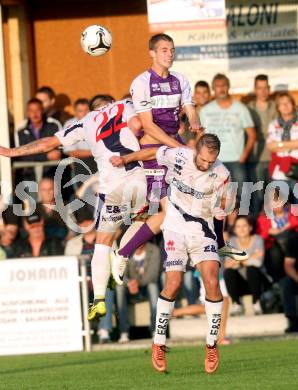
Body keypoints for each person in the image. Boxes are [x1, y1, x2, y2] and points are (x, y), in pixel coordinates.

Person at [0, 98, 147, 321]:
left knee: (101, 242)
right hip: (137, 177)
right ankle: (123, 253)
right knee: (155, 215)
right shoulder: (125, 104)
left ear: (92, 108)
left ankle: (98, 298)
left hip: (111, 186)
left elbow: (49, 142)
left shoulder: (86, 121)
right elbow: (139, 125)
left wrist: (12, 152)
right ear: (109, 101)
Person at [111, 134, 233, 374]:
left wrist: (219, 240)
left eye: (212, 161)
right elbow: (152, 152)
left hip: (202, 231)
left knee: (212, 282)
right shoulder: (179, 155)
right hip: (175, 228)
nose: (207, 165)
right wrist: (126, 158)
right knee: (173, 283)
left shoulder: (222, 174)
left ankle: (211, 344)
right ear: (195, 150)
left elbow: (221, 211)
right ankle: (158, 343)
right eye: (204, 160)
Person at [200, 73, 256, 198]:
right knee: (215, 196)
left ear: (228, 87)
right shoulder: (205, 110)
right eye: (218, 86)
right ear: (213, 89)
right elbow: (201, 136)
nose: (221, 88)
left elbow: (252, 135)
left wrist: (244, 155)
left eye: (224, 85)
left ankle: (242, 218)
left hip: (236, 160)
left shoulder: (240, 108)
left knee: (241, 195)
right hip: (213, 161)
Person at [65, 207, 115, 343]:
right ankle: (77, 334)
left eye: (89, 222)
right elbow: (69, 270)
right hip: (81, 282)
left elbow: (114, 266)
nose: (86, 225)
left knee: (107, 289)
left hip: (103, 281)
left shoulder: (108, 239)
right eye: (82, 223)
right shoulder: (71, 245)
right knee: (73, 291)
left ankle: (104, 332)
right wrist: (84, 280)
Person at [116, 242, 161, 342]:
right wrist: (129, 283)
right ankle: (124, 332)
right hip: (130, 289)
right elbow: (120, 273)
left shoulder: (154, 249)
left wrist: (137, 283)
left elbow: (153, 275)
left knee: (153, 286)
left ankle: (156, 330)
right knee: (119, 288)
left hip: (146, 288)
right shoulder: (125, 250)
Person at [224, 216, 265, 316]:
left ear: (250, 227)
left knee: (252, 269)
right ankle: (236, 304)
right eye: (238, 227)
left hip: (258, 282)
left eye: (244, 226)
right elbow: (227, 264)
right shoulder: (232, 242)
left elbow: (258, 262)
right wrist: (250, 257)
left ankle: (256, 303)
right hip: (240, 283)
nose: (241, 229)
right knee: (229, 272)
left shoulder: (258, 239)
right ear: (234, 229)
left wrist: (237, 259)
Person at [266, 92, 298, 202]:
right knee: (279, 207)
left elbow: (275, 145)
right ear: (278, 107)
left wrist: (279, 144)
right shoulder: (273, 124)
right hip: (279, 172)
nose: (285, 106)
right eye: (281, 103)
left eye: (288, 102)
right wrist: (292, 143)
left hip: (296, 169)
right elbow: (270, 146)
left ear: (293, 104)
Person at [63, 98, 97, 176]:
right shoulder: (69, 125)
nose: (84, 113)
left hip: (98, 162)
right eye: (81, 111)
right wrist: (95, 152)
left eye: (86, 110)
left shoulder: (97, 122)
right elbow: (72, 152)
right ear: (75, 112)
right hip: (80, 164)